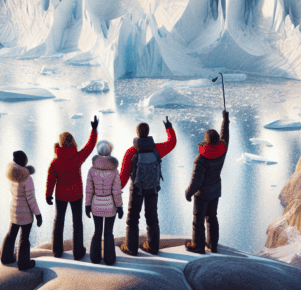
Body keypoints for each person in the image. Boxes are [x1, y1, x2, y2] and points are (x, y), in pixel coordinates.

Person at [119, 116, 176, 256]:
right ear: (148, 132)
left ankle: (131, 248)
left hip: (137, 189)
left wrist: (114, 190)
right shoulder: (157, 149)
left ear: (137, 133)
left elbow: (124, 176)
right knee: (152, 218)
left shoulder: (131, 152)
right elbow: (172, 143)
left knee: (133, 218)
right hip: (152, 188)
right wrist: (169, 127)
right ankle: (153, 247)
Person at [45, 116, 99, 259]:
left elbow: (51, 180)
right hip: (76, 194)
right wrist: (94, 130)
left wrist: (48, 195)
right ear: (72, 141)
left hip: (61, 196)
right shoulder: (77, 157)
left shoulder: (55, 162)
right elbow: (90, 146)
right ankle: (77, 252)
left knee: (59, 221)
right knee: (77, 222)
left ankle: (57, 251)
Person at [184, 110, 230, 254]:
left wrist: (188, 193)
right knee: (212, 218)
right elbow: (225, 136)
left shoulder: (201, 159)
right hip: (215, 190)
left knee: (198, 221)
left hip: (202, 193)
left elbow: (196, 181)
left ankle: (198, 246)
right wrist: (225, 120)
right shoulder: (222, 150)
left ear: (207, 140)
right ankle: (213, 245)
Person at [2, 150, 43, 270]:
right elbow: (31, 199)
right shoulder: (27, 179)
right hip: (25, 213)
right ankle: (24, 263)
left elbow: (20, 172)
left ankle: (6, 257)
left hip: (14, 209)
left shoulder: (11, 175)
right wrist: (38, 214)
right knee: (24, 238)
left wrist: (26, 170)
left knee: (11, 235)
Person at [84, 140, 123, 265]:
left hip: (96, 203)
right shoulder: (114, 170)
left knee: (97, 230)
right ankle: (109, 259)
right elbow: (116, 191)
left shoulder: (92, 170)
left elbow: (89, 190)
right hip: (109, 205)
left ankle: (95, 258)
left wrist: (87, 205)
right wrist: (120, 206)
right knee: (108, 232)